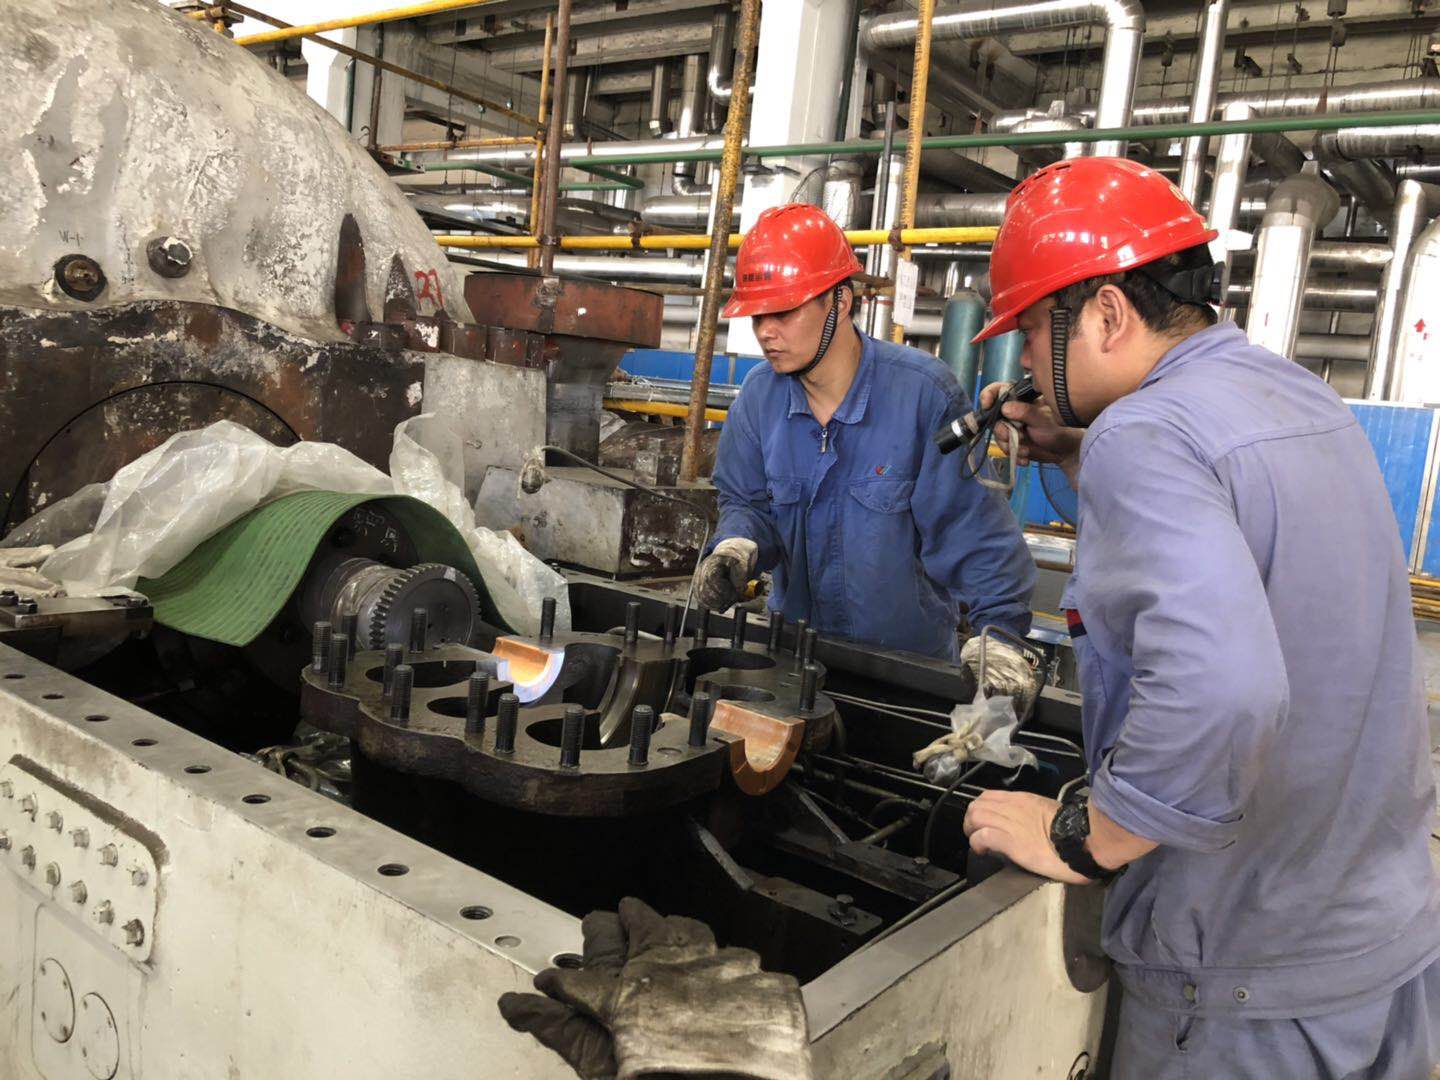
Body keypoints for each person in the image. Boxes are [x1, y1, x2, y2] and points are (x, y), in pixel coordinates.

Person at [960, 156, 1440, 1077]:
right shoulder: (1297, 395)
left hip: (1242, 984)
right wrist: (1076, 451)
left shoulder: (1143, 434)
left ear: (1107, 313)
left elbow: (1223, 689)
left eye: (1029, 329)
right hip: (1381, 944)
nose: (1020, 364)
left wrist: (1089, 837)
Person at [695, 203, 1037, 696]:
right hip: (789, 665)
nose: (766, 331)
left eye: (784, 311)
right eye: (757, 314)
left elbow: (972, 530)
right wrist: (736, 544)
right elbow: (747, 504)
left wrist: (999, 636)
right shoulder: (758, 398)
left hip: (905, 674)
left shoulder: (923, 395)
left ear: (840, 301)